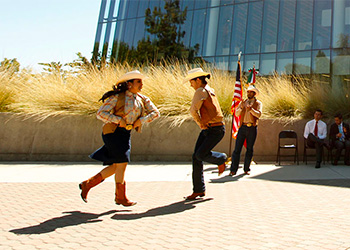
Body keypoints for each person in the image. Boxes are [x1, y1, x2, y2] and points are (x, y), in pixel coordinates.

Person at [79, 70, 160, 206]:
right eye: (138, 81)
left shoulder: (142, 99)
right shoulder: (117, 97)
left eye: (141, 81)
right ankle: (120, 197)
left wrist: (142, 120)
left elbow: (156, 113)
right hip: (113, 132)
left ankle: (88, 184)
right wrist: (117, 120)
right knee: (122, 163)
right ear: (129, 84)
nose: (141, 84)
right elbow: (101, 113)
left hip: (125, 133)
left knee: (117, 165)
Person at [183, 68, 227, 200]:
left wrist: (200, 123)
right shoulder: (209, 89)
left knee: (200, 155)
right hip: (213, 128)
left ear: (197, 80)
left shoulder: (200, 91)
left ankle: (221, 159)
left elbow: (193, 110)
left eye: (191, 81)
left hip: (213, 129)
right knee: (196, 158)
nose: (190, 84)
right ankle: (198, 190)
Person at [229, 85, 262, 176]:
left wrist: (251, 110)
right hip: (242, 127)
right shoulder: (243, 102)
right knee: (237, 149)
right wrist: (241, 107)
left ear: (254, 94)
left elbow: (259, 115)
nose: (248, 93)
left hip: (252, 127)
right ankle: (233, 169)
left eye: (250, 92)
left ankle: (246, 168)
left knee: (249, 148)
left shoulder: (258, 103)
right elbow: (236, 113)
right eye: (248, 92)